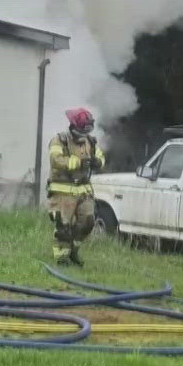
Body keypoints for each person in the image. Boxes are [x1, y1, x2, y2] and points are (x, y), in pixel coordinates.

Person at [47, 107, 106, 266]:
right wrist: (78, 163)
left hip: (83, 191)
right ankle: (62, 258)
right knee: (63, 226)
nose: (83, 136)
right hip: (62, 190)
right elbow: (56, 160)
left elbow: (100, 156)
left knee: (88, 222)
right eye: (81, 132)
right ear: (73, 127)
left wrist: (98, 162)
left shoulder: (90, 141)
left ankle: (73, 250)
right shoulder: (59, 140)